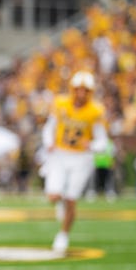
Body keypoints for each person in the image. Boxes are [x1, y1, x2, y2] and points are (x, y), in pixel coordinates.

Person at [41, 70, 108, 254]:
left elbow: (103, 142)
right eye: (78, 90)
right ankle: (60, 202)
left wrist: (92, 145)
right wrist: (49, 143)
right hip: (60, 154)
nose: (81, 94)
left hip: (81, 158)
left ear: (90, 92)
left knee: (71, 200)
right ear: (72, 89)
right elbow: (49, 128)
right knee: (53, 196)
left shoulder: (95, 111)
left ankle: (63, 235)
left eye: (85, 91)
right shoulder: (61, 103)